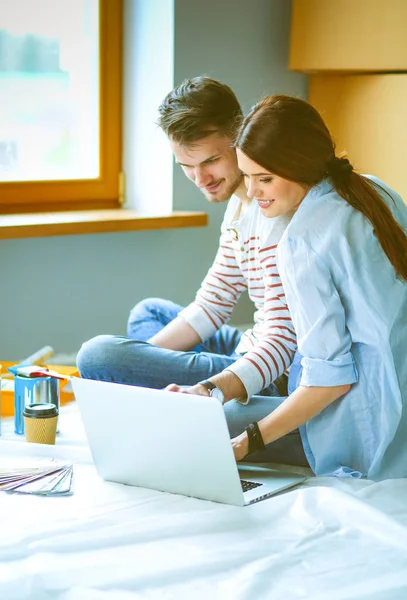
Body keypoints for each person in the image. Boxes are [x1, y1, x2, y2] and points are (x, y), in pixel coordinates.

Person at [77, 78, 307, 468]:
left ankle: (166, 397)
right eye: (186, 167)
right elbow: (210, 306)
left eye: (210, 162)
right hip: (248, 343)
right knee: (147, 313)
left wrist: (190, 381)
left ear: (241, 137)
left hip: (266, 368)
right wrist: (145, 357)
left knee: (97, 355)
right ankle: (165, 395)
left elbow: (282, 341)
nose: (200, 179)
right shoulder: (238, 210)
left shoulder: (272, 210)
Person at [231, 94, 407, 479]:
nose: (252, 191)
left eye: (265, 179)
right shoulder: (376, 191)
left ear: (299, 166)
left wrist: (248, 442)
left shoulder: (300, 242)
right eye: (245, 176)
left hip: (370, 423)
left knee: (223, 419)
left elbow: (332, 382)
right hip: (397, 397)